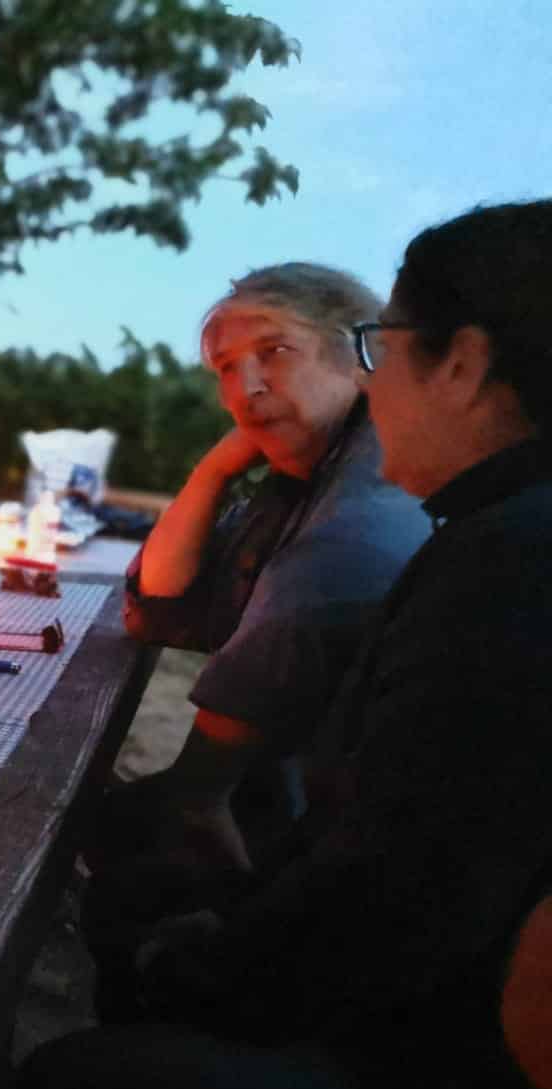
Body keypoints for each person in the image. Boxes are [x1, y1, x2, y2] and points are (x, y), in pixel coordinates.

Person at [16, 201, 552, 1089]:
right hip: (404, 976)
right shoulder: (476, 526)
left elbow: (394, 896)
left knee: (64, 1080)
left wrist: (203, 968)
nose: (372, 380)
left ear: (463, 364)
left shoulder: (488, 564)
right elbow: (161, 610)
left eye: (379, 346)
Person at [100, 264, 430, 877]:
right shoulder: (298, 480)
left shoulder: (372, 495)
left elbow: (196, 800)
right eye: (227, 367)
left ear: (363, 356)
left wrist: (198, 797)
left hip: (348, 850)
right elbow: (158, 604)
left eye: (275, 352)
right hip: (285, 807)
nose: (246, 387)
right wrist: (214, 470)